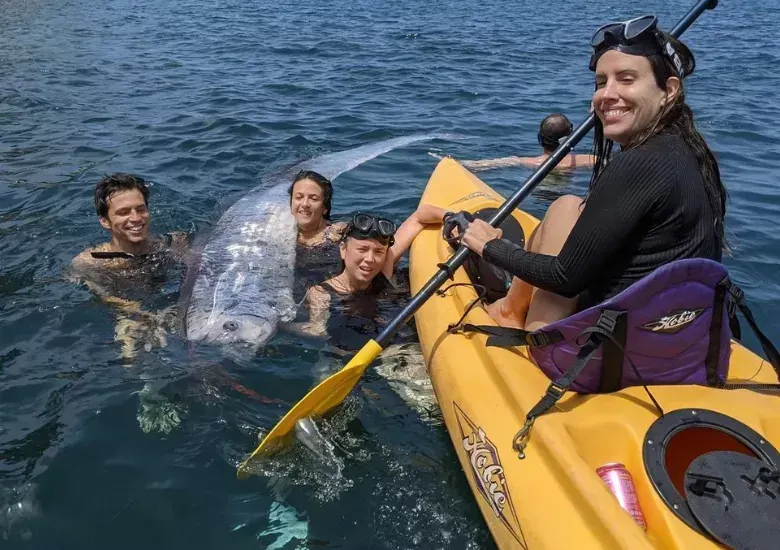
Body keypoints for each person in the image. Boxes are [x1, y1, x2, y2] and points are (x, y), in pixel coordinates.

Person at [455, 16, 725, 333]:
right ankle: (510, 309)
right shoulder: (689, 150)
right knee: (568, 205)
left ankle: (513, 316)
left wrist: (491, 247)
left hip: (613, 350)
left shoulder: (639, 162)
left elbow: (564, 278)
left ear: (669, 90)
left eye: (626, 79)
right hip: (678, 336)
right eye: (601, 83)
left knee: (563, 208)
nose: (606, 94)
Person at [288, 205, 447, 347]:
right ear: (343, 250)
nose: (370, 259)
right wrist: (283, 326)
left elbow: (419, 217)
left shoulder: (383, 269)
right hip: (349, 355)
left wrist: (450, 218)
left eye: (378, 252)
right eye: (362, 249)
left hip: (400, 347)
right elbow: (317, 330)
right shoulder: (322, 293)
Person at [70, 173, 188, 358]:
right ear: (104, 221)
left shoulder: (174, 243)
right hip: (130, 312)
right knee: (131, 355)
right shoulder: (90, 262)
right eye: (123, 212)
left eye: (140, 209)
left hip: (171, 304)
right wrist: (139, 315)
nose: (135, 218)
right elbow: (105, 296)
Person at [431, 114, 594, 172]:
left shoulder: (525, 162)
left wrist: (447, 161)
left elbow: (477, 166)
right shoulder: (589, 160)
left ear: (540, 139)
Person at [289, 170, 348, 246]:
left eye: (313, 199)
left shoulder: (335, 236)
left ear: (325, 207)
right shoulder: (282, 228)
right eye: (299, 197)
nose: (305, 204)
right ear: (291, 203)